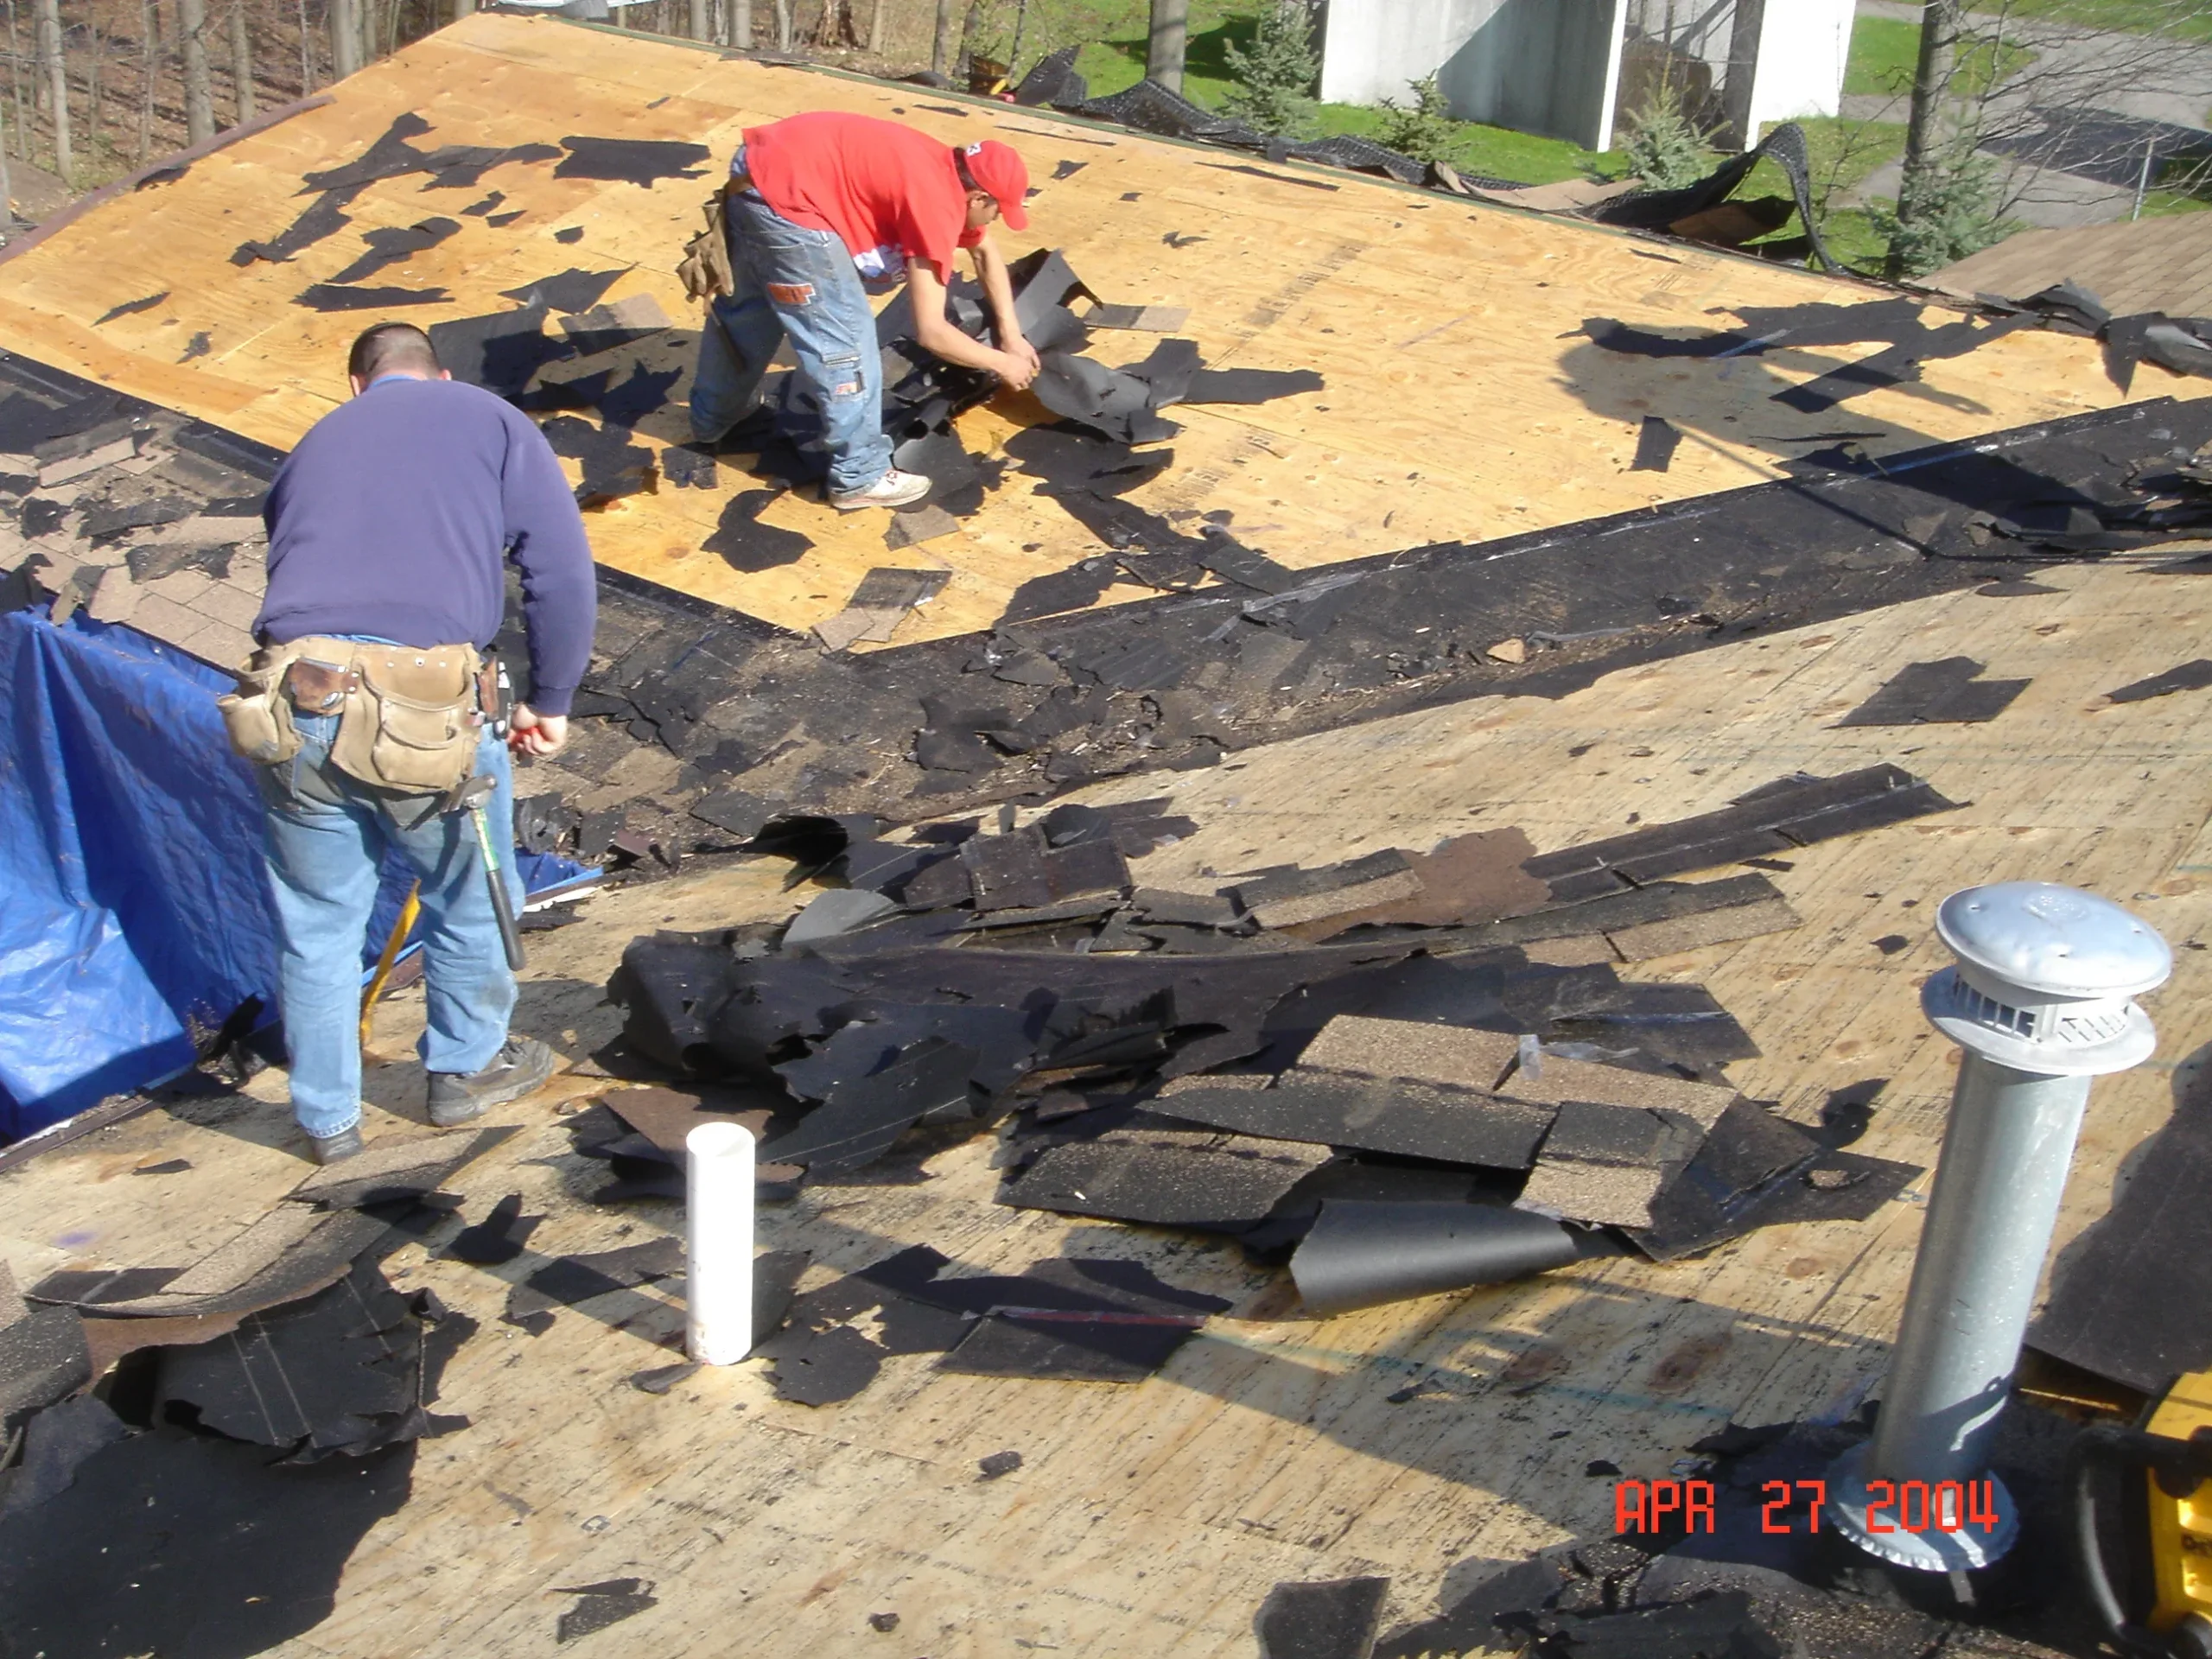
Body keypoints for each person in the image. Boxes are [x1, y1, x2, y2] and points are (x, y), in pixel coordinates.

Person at [241, 321, 596, 1164]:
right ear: (438, 375)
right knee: (469, 892)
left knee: (317, 920)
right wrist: (551, 699)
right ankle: (464, 1072)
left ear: (357, 385)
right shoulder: (488, 419)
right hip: (422, 704)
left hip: (292, 697)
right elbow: (559, 571)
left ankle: (328, 1119)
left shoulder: (314, 443)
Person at [689, 111, 1042, 512]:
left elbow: (983, 251)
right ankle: (859, 476)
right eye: (997, 210)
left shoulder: (948, 171)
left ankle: (715, 417)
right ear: (978, 197)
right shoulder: (936, 203)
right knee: (847, 344)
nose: (994, 221)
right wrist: (1002, 364)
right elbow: (932, 331)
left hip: (758, 170)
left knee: (750, 310)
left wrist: (1011, 336)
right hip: (791, 205)